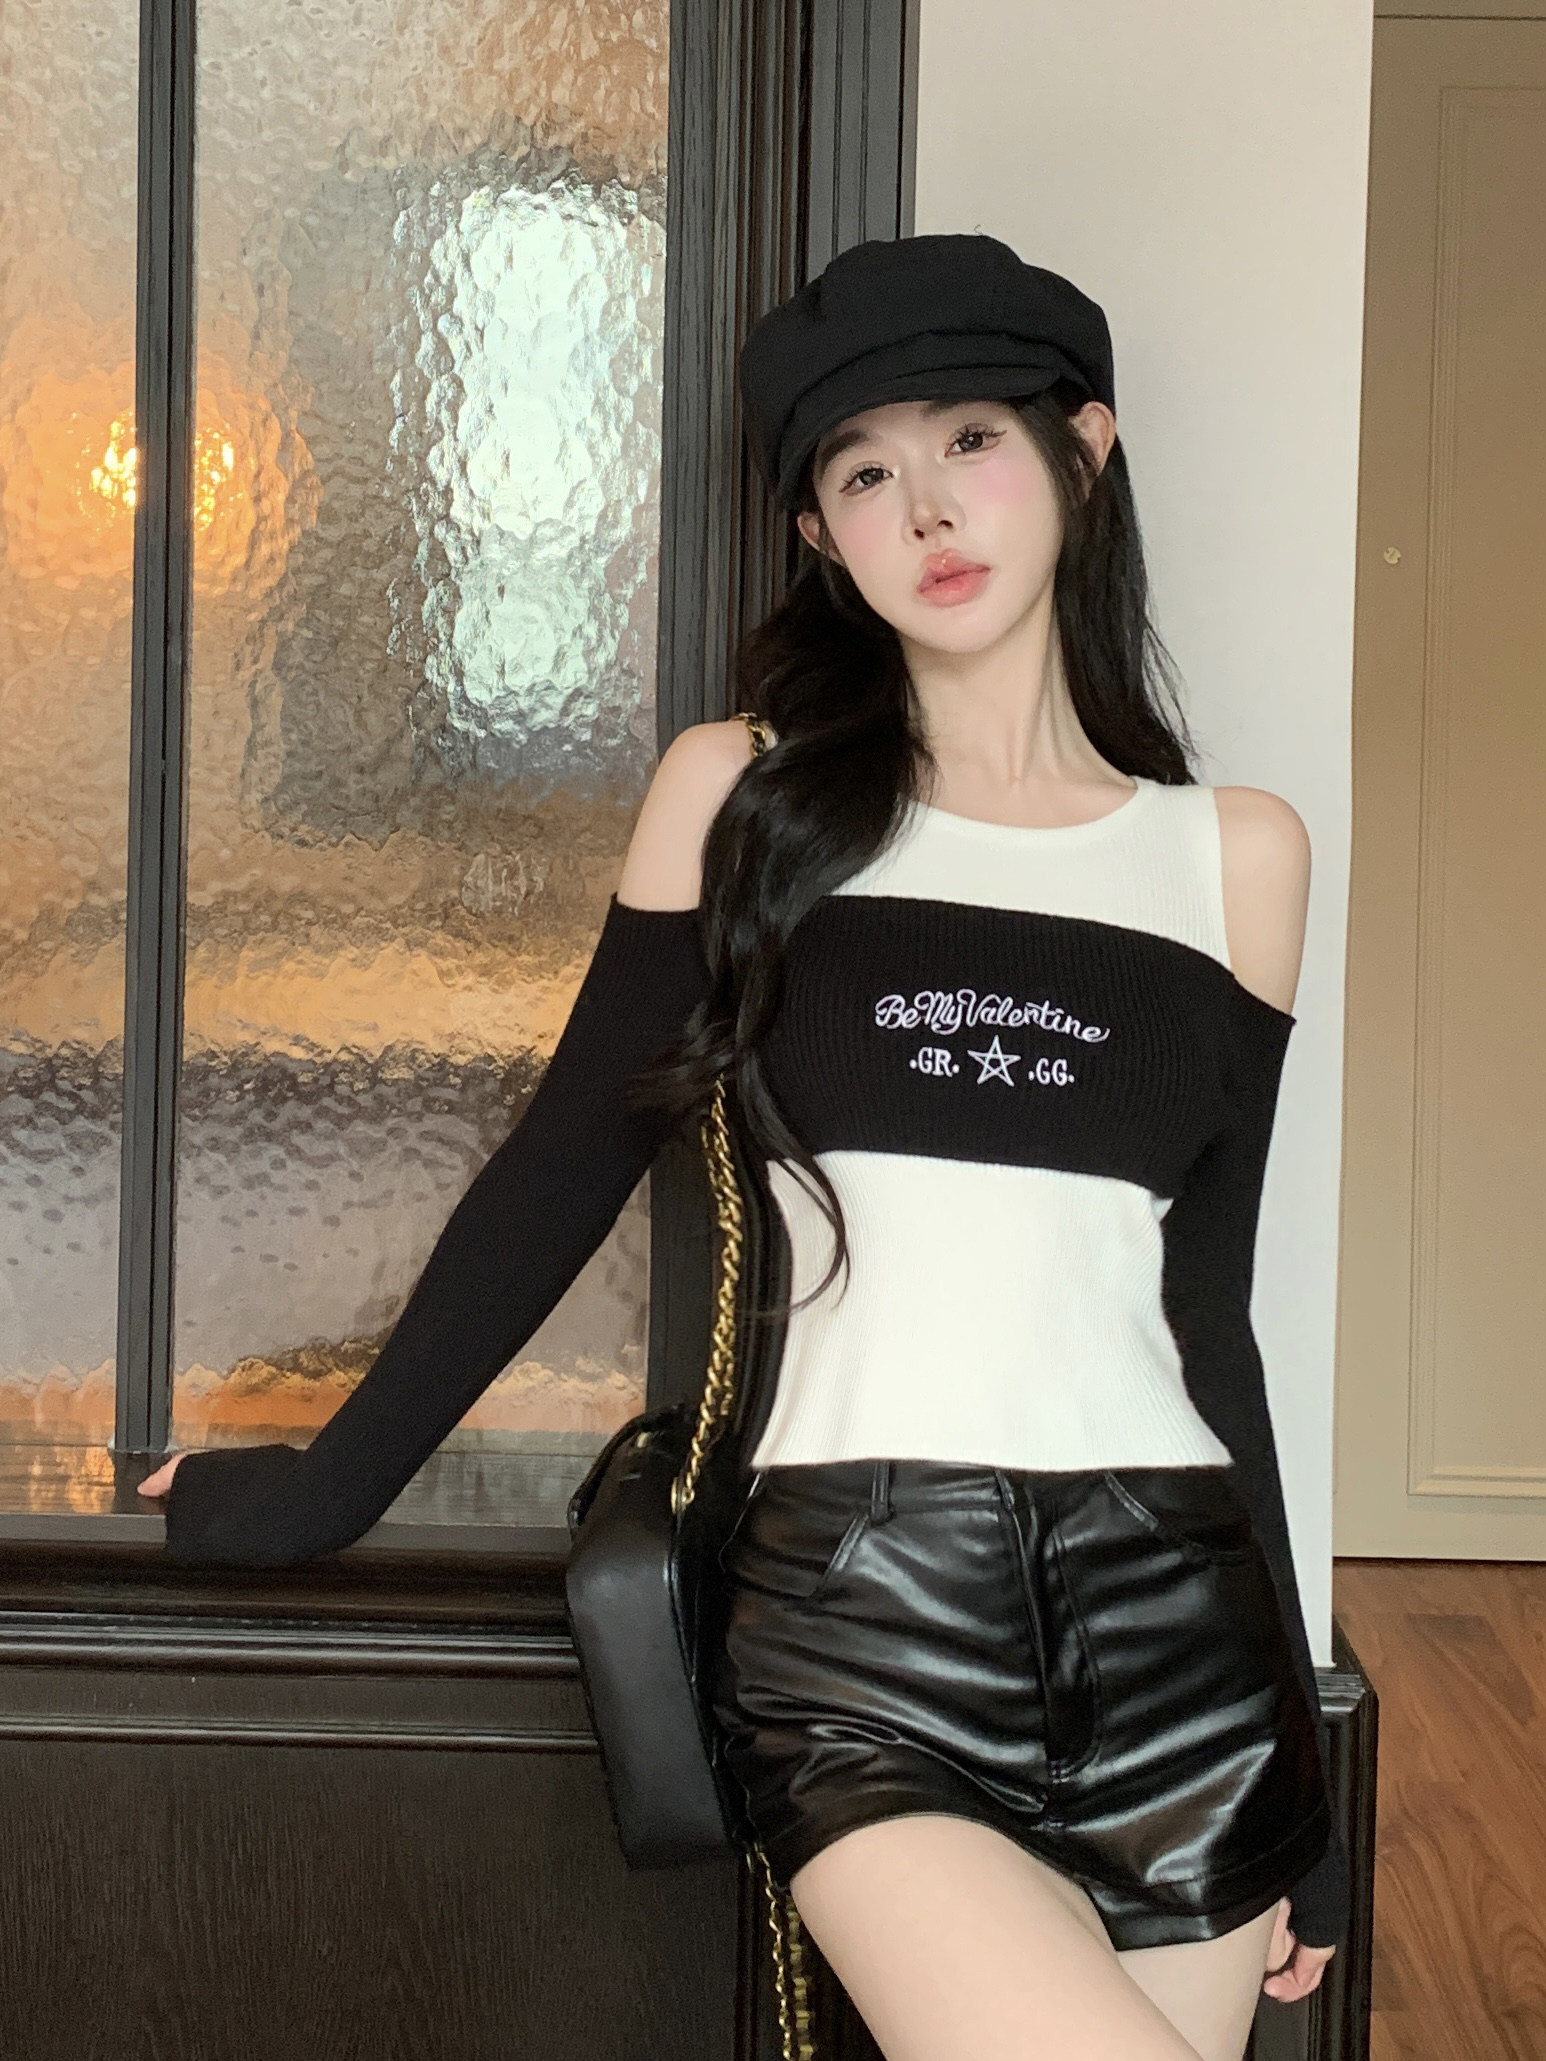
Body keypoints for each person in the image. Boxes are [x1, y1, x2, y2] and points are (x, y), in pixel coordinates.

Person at [141, 232, 1347, 2061]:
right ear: (818, 536)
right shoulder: (746, 800)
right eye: (863, 473)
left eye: (970, 440)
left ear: (1083, 453)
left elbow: (1206, 1320)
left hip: (1183, 1636)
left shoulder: (1235, 858)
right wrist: (317, 1492)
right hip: (866, 1621)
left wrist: (1302, 1778)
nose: (924, 507)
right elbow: (562, 1165)